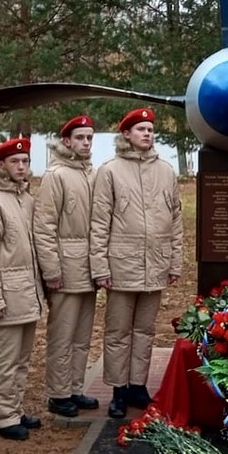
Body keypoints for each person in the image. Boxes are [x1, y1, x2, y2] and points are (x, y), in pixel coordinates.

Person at [90, 108, 183, 419]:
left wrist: (174, 261)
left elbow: (176, 220)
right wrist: (100, 266)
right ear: (126, 134)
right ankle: (118, 388)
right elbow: (99, 222)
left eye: (150, 129)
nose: (147, 134)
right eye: (140, 129)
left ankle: (137, 385)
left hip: (155, 264)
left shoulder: (166, 172)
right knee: (118, 331)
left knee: (145, 330)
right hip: (122, 265)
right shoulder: (110, 171)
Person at [0, 136, 45, 441]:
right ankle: (3, 416)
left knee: (21, 358)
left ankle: (14, 408)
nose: (21, 166)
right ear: (1, 165)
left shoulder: (25, 198)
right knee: (4, 359)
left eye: (25, 161)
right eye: (15, 162)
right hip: (6, 293)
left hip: (26, 291)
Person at [35, 114, 100, 418]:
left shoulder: (91, 173)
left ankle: (75, 386)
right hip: (65, 266)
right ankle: (58, 393)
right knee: (62, 334)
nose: (86, 143)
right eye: (80, 138)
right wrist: (52, 269)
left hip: (89, 267)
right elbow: (44, 226)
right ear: (66, 141)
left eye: (89, 138)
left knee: (82, 334)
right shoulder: (56, 175)